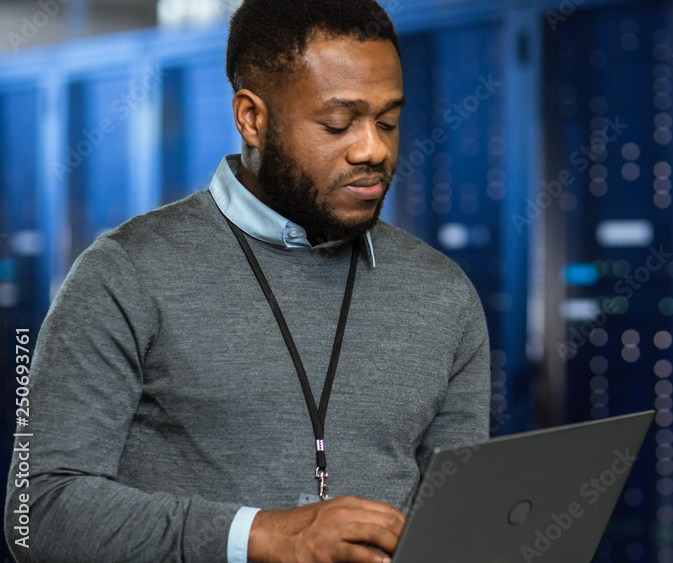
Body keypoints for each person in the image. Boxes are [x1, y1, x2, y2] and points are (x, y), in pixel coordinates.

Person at [3, 1, 491, 562]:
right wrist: (260, 536)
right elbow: (37, 512)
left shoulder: (443, 294)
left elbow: (457, 520)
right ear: (251, 118)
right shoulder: (125, 273)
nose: (373, 149)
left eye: (388, 121)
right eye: (338, 123)